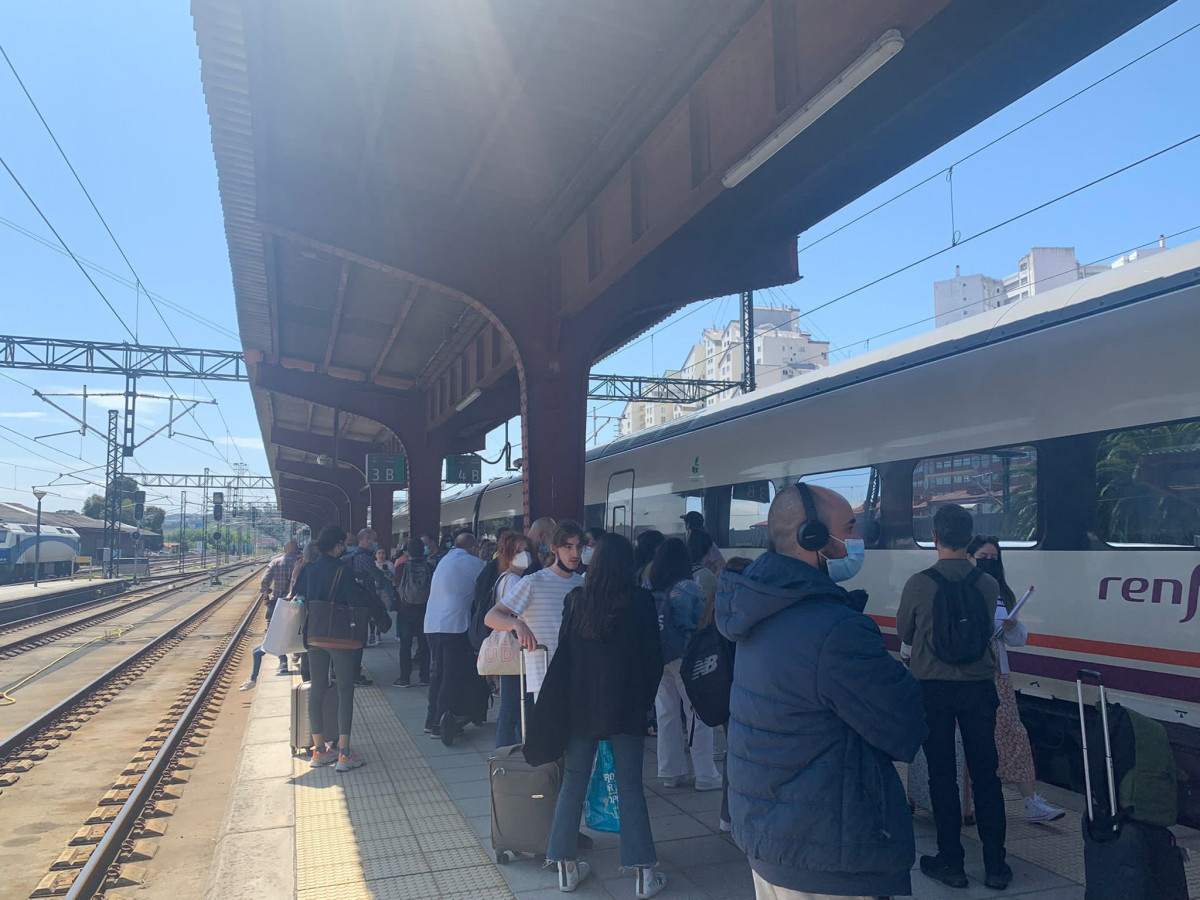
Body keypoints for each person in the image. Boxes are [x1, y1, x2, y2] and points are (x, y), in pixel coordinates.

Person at [716, 483, 926, 900]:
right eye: (849, 528)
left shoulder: (757, 607)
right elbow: (906, 728)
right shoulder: (836, 629)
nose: (858, 539)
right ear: (811, 537)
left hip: (771, 835)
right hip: (827, 849)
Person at [534, 534, 667, 898]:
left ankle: (564, 867)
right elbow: (653, 659)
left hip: (580, 708)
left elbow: (565, 658)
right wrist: (644, 703)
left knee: (573, 782)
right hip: (626, 707)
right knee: (630, 786)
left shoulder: (576, 600)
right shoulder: (640, 601)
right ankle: (642, 873)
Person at [898, 504, 1011, 891]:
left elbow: (905, 631)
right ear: (970, 538)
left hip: (934, 689)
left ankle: (951, 862)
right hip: (979, 688)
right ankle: (996, 865)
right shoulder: (987, 584)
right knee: (986, 775)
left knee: (942, 775)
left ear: (934, 537)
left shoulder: (919, 583)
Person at [967, 535, 1064, 824]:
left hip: (1000, 676)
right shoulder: (962, 589)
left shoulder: (1001, 593)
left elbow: (1018, 639)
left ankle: (1031, 802)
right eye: (983, 557)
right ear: (970, 557)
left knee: (1013, 735)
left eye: (994, 558)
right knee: (972, 738)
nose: (989, 562)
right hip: (971, 675)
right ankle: (969, 800)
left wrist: (1011, 627)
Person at [648, 537, 720, 791]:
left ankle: (670, 772)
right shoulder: (688, 587)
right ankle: (705, 774)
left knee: (666, 712)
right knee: (698, 712)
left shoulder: (650, 586)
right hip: (685, 656)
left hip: (658, 656)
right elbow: (700, 621)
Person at [484, 521, 584, 699]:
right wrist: (516, 624)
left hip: (578, 674)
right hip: (544, 676)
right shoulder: (533, 582)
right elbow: (492, 616)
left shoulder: (582, 583)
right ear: (554, 549)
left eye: (579, 546)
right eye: (568, 547)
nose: (575, 553)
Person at [294, 525, 365, 773]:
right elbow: (355, 600)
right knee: (345, 689)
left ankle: (319, 750)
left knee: (317, 688)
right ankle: (344, 753)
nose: (344, 548)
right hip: (340, 637)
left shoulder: (309, 568)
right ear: (337, 545)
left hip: (314, 634)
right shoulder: (343, 570)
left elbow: (298, 595)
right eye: (342, 544)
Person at [423, 532, 486, 741]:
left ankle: (430, 720)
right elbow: (485, 589)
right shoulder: (475, 563)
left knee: (437, 673)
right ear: (473, 547)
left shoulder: (444, 561)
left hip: (432, 625)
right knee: (451, 675)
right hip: (454, 626)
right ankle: (440, 724)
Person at [488, 530, 533, 747]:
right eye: (518, 551)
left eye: (526, 550)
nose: (524, 554)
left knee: (511, 706)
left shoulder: (503, 578)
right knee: (514, 707)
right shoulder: (515, 580)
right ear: (508, 555)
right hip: (515, 648)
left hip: (508, 648)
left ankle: (507, 750)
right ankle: (504, 751)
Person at [242, 539, 299, 687]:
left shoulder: (275, 562)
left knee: (276, 634)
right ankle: (297, 654)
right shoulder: (300, 563)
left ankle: (283, 662)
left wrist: (266, 598)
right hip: (296, 604)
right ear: (297, 549)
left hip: (278, 604)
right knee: (296, 630)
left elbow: (264, 583)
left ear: (285, 549)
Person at [343, 528, 396, 684]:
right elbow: (378, 577)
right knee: (360, 638)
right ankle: (355, 673)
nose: (374, 543)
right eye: (373, 540)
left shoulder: (346, 558)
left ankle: (346, 669)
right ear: (366, 540)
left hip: (347, 601)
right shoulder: (364, 558)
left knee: (350, 636)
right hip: (363, 601)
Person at [392, 537, 431, 687]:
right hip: (424, 611)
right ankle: (425, 677)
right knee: (424, 645)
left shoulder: (401, 567)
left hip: (405, 610)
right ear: (423, 551)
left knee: (405, 646)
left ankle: (404, 678)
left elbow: (396, 584)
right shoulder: (430, 567)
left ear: (408, 551)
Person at [681, 511, 724, 575]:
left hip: (705, 579)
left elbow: (722, 565)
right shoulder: (693, 542)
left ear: (688, 525)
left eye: (685, 523)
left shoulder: (707, 543)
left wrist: (712, 580)